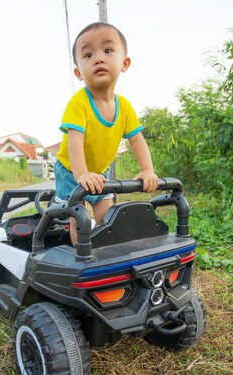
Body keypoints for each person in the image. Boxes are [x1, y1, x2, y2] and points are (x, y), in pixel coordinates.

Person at [54, 22, 159, 244]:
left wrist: (147, 170)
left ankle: (105, 255)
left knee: (107, 217)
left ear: (125, 63)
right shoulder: (79, 103)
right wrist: (81, 174)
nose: (98, 58)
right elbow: (75, 141)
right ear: (78, 72)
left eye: (108, 50)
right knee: (78, 216)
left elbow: (137, 140)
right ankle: (81, 259)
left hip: (99, 173)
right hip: (70, 169)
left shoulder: (125, 107)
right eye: (88, 54)